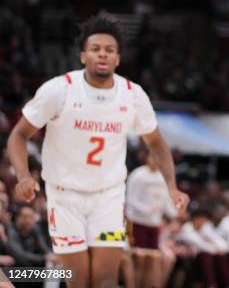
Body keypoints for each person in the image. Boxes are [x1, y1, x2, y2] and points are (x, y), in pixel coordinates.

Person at [7, 14, 189, 288]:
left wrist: (171, 186)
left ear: (118, 59)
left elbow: (156, 142)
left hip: (109, 196)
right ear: (83, 56)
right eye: (95, 49)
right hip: (65, 195)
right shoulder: (59, 90)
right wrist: (22, 175)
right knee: (78, 281)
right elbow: (18, 135)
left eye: (109, 50)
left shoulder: (133, 94)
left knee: (105, 280)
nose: (102, 54)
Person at [126, 148, 177, 288]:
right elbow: (130, 200)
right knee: (138, 261)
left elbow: (165, 200)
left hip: (154, 224)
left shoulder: (162, 178)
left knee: (152, 261)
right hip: (138, 222)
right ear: (147, 158)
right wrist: (147, 210)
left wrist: (174, 214)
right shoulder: (138, 175)